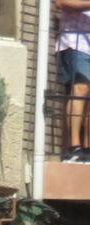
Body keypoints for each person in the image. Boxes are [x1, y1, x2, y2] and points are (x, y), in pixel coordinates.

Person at [59, 0, 90, 163]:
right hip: (76, 42)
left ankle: (87, 149)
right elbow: (61, 3)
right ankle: (74, 148)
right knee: (80, 88)